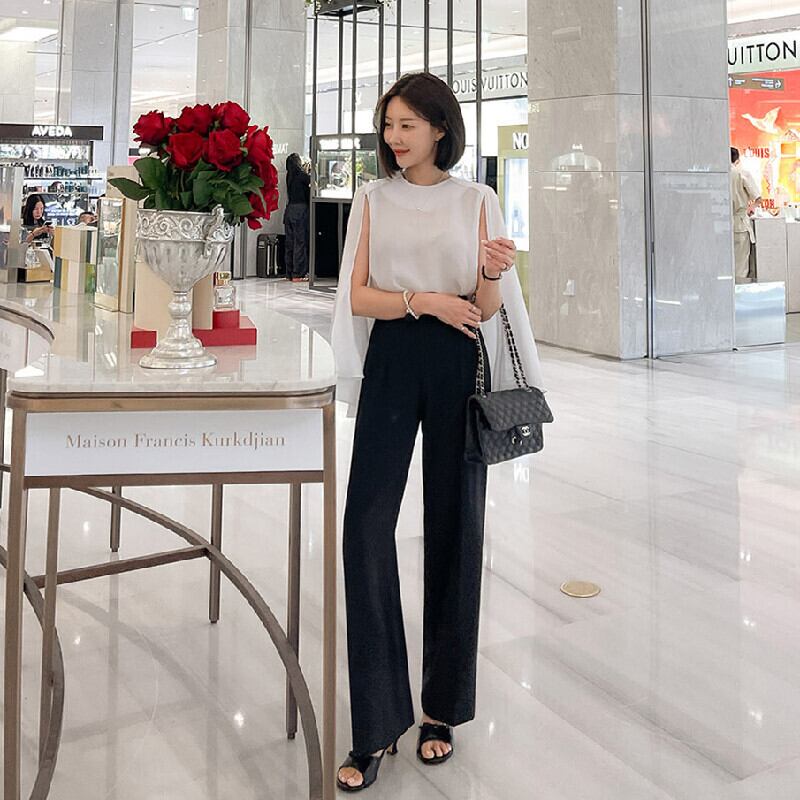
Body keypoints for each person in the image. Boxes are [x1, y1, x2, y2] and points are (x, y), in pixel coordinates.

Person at [331, 72, 544, 792]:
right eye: (389, 124)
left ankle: (441, 710)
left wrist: (490, 274)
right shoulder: (372, 197)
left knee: (456, 525)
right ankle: (375, 721)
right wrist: (421, 300)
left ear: (440, 129)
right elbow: (357, 295)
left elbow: (485, 306)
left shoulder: (476, 199)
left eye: (408, 125)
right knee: (365, 526)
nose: (395, 137)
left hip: (459, 358)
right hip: (394, 355)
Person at [730, 147, 762, 284]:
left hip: (719, 225)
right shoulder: (741, 173)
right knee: (741, 267)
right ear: (737, 160)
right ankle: (739, 294)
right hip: (740, 226)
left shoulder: (717, 174)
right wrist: (750, 208)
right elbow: (758, 198)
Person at [283, 153, 310, 282]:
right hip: (300, 210)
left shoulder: (289, 176)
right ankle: (298, 273)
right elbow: (313, 183)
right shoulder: (302, 175)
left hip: (289, 210)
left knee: (290, 243)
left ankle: (289, 272)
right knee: (300, 242)